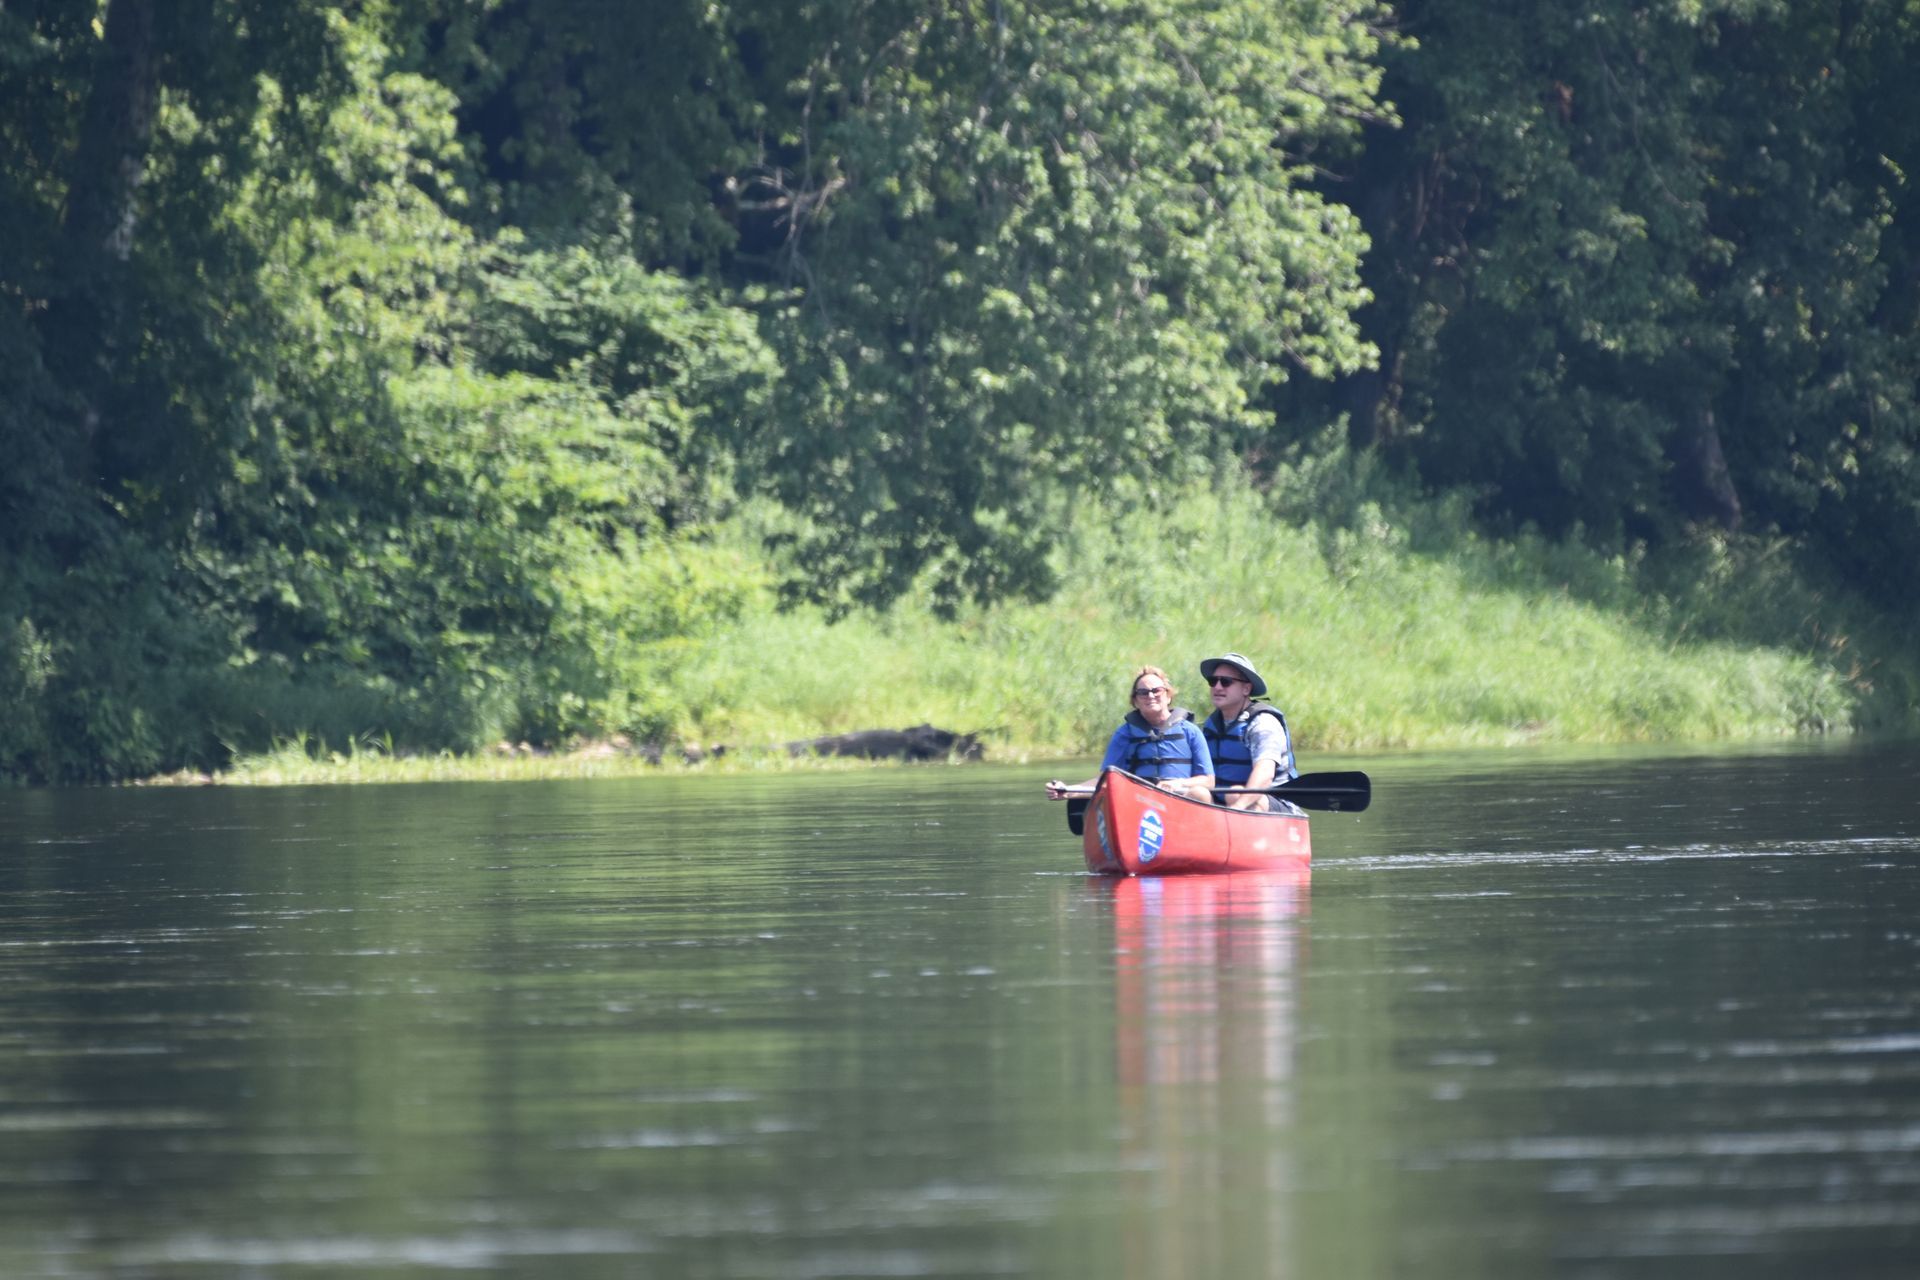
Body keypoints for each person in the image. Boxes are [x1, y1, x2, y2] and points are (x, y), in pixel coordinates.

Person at [1044, 665, 1215, 801]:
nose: (1150, 695)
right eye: (1143, 692)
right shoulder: (1124, 734)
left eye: (1156, 690)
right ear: (1135, 701)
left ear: (1168, 696)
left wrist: (1178, 784)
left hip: (1181, 801)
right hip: (1140, 802)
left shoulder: (1190, 731)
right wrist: (1067, 791)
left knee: (1201, 793)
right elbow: (1104, 781)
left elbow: (1208, 781)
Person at [1198, 652, 1298, 812]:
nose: (1217, 687)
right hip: (1227, 804)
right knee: (1196, 793)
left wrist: (1238, 807)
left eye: (1226, 682)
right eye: (1213, 681)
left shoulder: (1263, 723)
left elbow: (1265, 774)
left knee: (1234, 794)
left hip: (1275, 804)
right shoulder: (1211, 724)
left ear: (1246, 688)